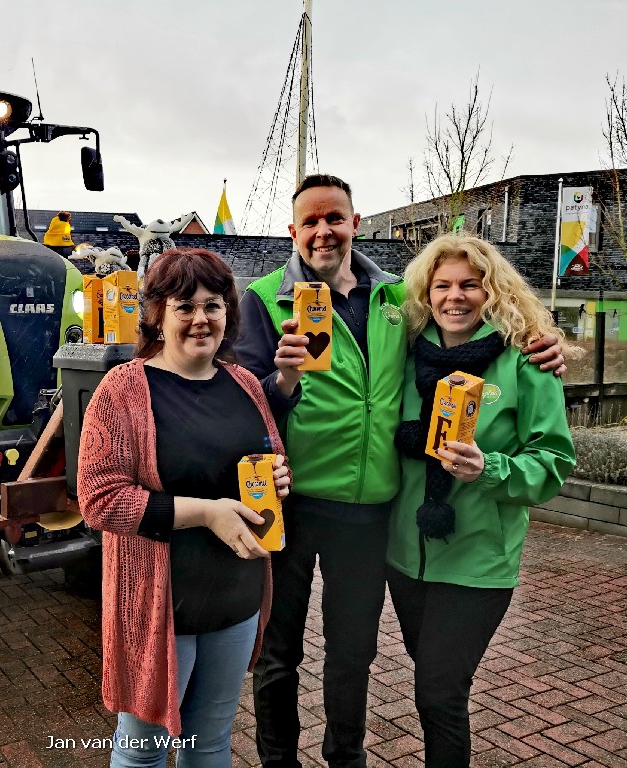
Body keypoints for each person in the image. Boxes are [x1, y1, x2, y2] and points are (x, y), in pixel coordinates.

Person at [234, 174, 567, 768]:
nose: (323, 231)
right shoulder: (262, 298)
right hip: (289, 501)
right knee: (278, 652)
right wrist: (281, 380)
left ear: (355, 222)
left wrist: (543, 344)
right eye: (309, 221)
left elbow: (465, 332)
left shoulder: (397, 303)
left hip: (368, 512)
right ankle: (278, 761)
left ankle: (347, 760)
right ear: (292, 231)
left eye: (334, 217)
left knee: (352, 653)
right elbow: (240, 406)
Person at [77, 247, 295, 767]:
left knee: (211, 742)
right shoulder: (123, 390)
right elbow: (99, 500)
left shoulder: (244, 384)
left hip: (235, 601)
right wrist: (207, 512)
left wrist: (278, 475)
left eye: (214, 306)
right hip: (159, 606)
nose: (201, 319)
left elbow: (267, 453)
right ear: (156, 315)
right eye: (184, 306)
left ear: (228, 314)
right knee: (144, 754)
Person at [387, 235, 576, 767]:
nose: (455, 296)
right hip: (405, 557)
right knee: (432, 679)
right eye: (442, 285)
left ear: (491, 291)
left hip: (478, 561)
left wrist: (488, 468)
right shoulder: (406, 353)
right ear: (426, 292)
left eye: (470, 284)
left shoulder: (526, 359)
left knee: (439, 695)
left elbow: (553, 461)